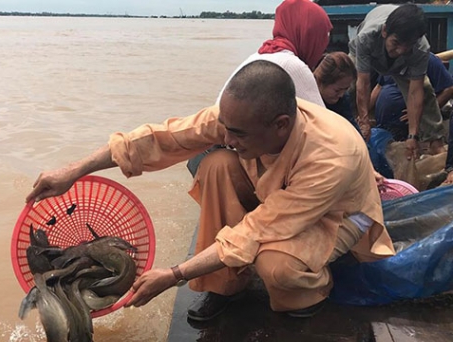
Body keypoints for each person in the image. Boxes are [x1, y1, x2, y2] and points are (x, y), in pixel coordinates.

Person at [26, 61, 395, 321]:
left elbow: (259, 230)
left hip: (340, 213)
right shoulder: (240, 118)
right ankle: (224, 286)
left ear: (281, 125)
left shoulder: (331, 157)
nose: (227, 138)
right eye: (225, 128)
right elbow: (163, 137)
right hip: (279, 196)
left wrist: (173, 275)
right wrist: (76, 169)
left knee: (277, 266)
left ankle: (316, 286)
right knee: (216, 164)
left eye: (238, 135)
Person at [187, 0, 332, 176]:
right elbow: (327, 133)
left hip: (209, 154)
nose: (325, 42)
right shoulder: (292, 65)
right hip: (235, 159)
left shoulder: (259, 56)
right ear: (309, 33)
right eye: (323, 34)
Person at [349, 4, 447, 160]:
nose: (400, 50)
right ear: (384, 31)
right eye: (396, 43)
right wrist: (364, 121)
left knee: (426, 89)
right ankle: (344, 134)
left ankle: (436, 145)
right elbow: (364, 82)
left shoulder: (420, 48)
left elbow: (415, 92)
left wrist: (412, 135)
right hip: (369, 54)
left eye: (407, 46)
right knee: (345, 84)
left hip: (403, 65)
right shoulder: (366, 38)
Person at [371, 52, 453, 142]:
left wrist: (423, 112)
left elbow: (449, 88)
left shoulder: (428, 59)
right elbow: (379, 86)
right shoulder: (391, 61)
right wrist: (364, 112)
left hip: (410, 129)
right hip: (384, 126)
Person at [313, 51, 360, 133]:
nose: (341, 95)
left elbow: (353, 129)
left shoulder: (343, 100)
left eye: (345, 89)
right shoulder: (307, 100)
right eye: (337, 90)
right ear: (320, 82)